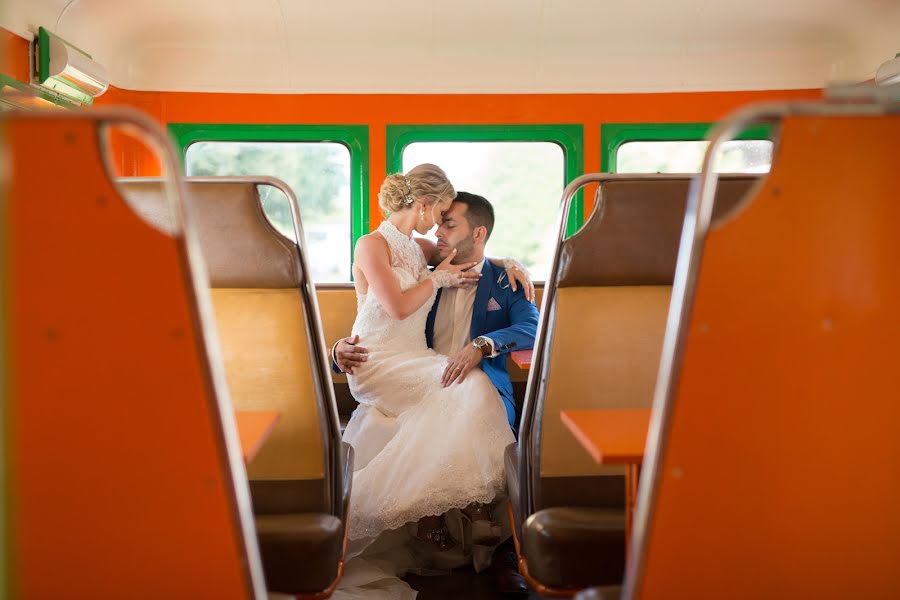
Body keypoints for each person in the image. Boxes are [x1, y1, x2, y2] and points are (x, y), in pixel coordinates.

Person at [335, 187, 539, 596]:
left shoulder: (504, 280)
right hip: (411, 375)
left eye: (450, 224)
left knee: (472, 390)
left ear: (478, 234)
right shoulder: (428, 270)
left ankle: (484, 537)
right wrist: (337, 349)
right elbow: (381, 324)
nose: (438, 232)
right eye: (439, 220)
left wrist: (481, 345)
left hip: (465, 382)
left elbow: (530, 327)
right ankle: (433, 524)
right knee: (398, 414)